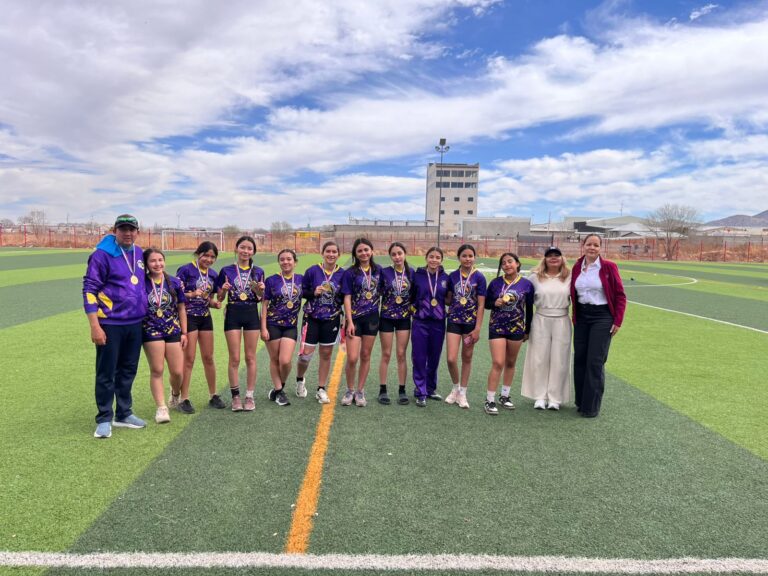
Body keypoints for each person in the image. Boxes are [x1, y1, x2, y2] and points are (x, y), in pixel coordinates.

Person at [83, 214, 148, 438]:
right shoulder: (101, 255)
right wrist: (95, 326)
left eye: (132, 229)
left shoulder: (139, 253)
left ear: (137, 232)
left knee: (128, 370)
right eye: (123, 229)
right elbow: (89, 289)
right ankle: (103, 418)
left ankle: (123, 413)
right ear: (115, 231)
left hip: (135, 323)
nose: (128, 233)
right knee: (106, 372)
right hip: (110, 323)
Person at [570, 234, 626, 418]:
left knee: (595, 361)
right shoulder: (577, 267)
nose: (592, 248)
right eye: (589, 244)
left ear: (600, 248)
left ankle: (591, 406)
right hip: (582, 317)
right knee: (580, 359)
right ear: (583, 246)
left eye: (596, 245)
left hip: (602, 317)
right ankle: (581, 401)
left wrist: (617, 320)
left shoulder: (609, 267)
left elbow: (620, 295)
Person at [214, 236, 265, 412]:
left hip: (251, 313)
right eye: (242, 247)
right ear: (236, 249)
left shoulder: (258, 271)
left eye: (249, 248)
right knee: (234, 358)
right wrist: (223, 291)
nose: (245, 251)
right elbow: (219, 298)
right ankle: (235, 396)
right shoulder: (226, 270)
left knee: (250, 357)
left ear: (253, 252)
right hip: (233, 313)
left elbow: (260, 298)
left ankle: (249, 396)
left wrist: (259, 289)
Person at [521, 247, 572, 410]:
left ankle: (555, 398)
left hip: (562, 320)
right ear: (544, 259)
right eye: (549, 256)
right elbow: (527, 303)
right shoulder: (535, 278)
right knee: (539, 358)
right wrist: (526, 327)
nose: (553, 258)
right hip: (541, 318)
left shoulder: (569, 277)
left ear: (562, 258)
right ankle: (540, 396)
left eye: (557, 255)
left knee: (560, 359)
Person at [141, 248, 188, 424]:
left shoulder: (174, 282)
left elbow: (182, 308)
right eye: (153, 261)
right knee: (157, 369)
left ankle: (175, 394)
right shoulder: (141, 283)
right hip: (151, 330)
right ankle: (161, 407)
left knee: (177, 372)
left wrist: (184, 332)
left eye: (160, 260)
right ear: (146, 264)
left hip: (173, 330)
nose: (157, 264)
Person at [176, 242, 224, 412]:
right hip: (188, 317)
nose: (209, 259)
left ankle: (213, 395)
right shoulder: (185, 270)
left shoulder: (213, 274)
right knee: (189, 359)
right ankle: (184, 398)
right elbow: (176, 296)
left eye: (212, 257)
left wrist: (214, 304)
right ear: (198, 254)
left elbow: (208, 298)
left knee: (209, 357)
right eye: (206, 255)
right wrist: (191, 294)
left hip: (205, 318)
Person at [483, 252, 534, 416]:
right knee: (498, 362)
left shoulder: (527, 284)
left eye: (510, 261)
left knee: (511, 363)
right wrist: (494, 302)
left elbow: (530, 309)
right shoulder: (495, 283)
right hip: (497, 326)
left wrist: (527, 329)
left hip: (516, 327)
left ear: (518, 264)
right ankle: (489, 399)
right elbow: (487, 305)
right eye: (503, 263)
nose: (507, 265)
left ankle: (504, 396)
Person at [295, 241, 345, 404]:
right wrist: (313, 293)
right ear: (322, 253)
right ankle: (300, 379)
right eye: (328, 251)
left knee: (326, 354)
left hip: (332, 319)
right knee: (305, 356)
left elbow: (345, 296)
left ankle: (321, 388)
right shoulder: (312, 271)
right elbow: (302, 292)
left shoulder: (342, 274)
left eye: (334, 252)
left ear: (339, 254)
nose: (331, 254)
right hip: (312, 318)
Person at [340, 238, 382, 407]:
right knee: (352, 357)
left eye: (366, 250)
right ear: (355, 254)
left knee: (365, 355)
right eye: (360, 251)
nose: (364, 253)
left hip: (372, 319)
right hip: (355, 320)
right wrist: (349, 321)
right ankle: (350, 390)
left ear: (372, 251)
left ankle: (360, 391)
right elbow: (347, 297)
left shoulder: (379, 270)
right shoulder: (350, 273)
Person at [445, 244, 486, 409]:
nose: (467, 259)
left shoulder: (480, 277)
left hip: (470, 324)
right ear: (459, 258)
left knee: (467, 357)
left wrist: (477, 328)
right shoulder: (452, 276)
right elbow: (448, 299)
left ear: (474, 257)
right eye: (464, 256)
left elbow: (481, 305)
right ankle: (455, 387)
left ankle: (463, 392)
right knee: (451, 358)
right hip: (454, 321)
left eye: (470, 256)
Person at [261, 249, 303, 407]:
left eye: (289, 259)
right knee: (274, 359)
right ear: (279, 262)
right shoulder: (272, 280)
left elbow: (311, 294)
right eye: (282, 259)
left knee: (285, 361)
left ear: (295, 262)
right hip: (272, 324)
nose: (286, 262)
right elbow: (264, 305)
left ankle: (280, 387)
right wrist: (263, 327)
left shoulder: (301, 280)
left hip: (290, 325)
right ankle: (279, 391)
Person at [410, 246, 450, 407]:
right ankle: (420, 391)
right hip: (420, 321)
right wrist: (415, 309)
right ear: (426, 258)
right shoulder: (417, 275)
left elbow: (449, 299)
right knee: (419, 356)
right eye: (431, 256)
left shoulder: (446, 278)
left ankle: (430, 388)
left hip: (439, 322)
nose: (434, 260)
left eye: (437, 257)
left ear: (441, 260)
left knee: (434, 356)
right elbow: (411, 296)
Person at [377, 242, 415, 405]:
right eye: (394, 254)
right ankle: (383, 389)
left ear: (405, 254)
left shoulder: (412, 273)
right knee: (386, 354)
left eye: (400, 253)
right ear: (390, 257)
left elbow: (416, 295)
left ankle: (402, 389)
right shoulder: (384, 272)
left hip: (404, 319)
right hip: (386, 317)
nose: (397, 257)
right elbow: (375, 292)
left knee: (401, 354)